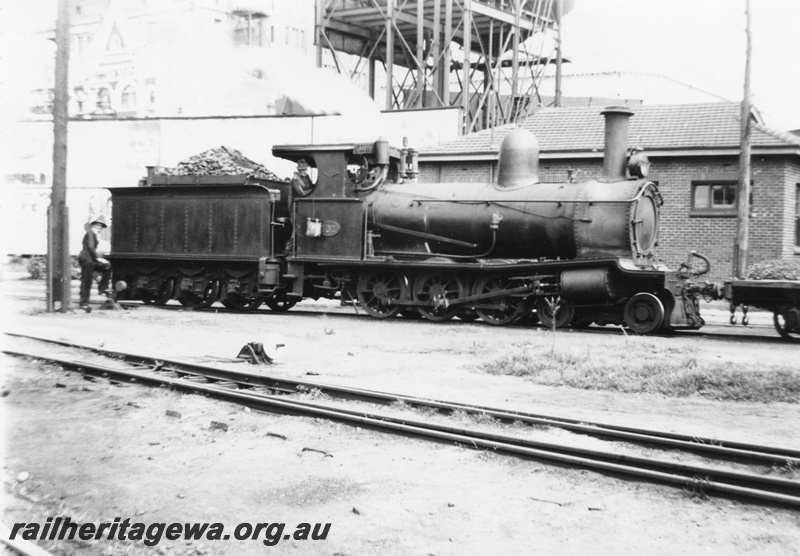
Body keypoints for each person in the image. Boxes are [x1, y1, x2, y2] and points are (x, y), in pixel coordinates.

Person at [78, 214, 112, 310]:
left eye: (101, 226)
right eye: (98, 225)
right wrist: (98, 258)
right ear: (93, 225)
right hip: (87, 259)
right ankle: (84, 303)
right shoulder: (90, 233)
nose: (100, 228)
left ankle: (103, 288)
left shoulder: (95, 235)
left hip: (91, 259)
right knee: (86, 281)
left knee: (107, 266)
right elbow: (91, 247)